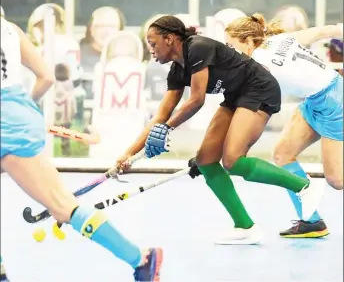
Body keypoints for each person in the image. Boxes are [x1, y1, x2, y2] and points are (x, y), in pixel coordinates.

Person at [116, 15, 324, 245]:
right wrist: (128, 155)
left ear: (169, 39)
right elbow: (160, 116)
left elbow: (196, 100)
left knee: (233, 161)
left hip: (259, 88)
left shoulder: (197, 47)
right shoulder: (176, 72)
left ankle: (304, 186)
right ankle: (245, 227)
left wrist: (166, 129)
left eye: (153, 44)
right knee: (205, 161)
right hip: (235, 95)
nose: (151, 51)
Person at [0, 16, 163, 281]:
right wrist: (21, 111)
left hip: (8, 127)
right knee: (62, 204)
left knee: (62, 206)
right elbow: (46, 77)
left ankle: (141, 258)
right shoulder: (9, 28)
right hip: (17, 116)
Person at [224, 13, 343, 238]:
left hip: (335, 102)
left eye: (232, 46)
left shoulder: (258, 66)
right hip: (315, 100)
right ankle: (312, 221)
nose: (229, 52)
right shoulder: (278, 39)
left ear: (249, 42)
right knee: (283, 154)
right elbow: (322, 32)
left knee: (337, 180)